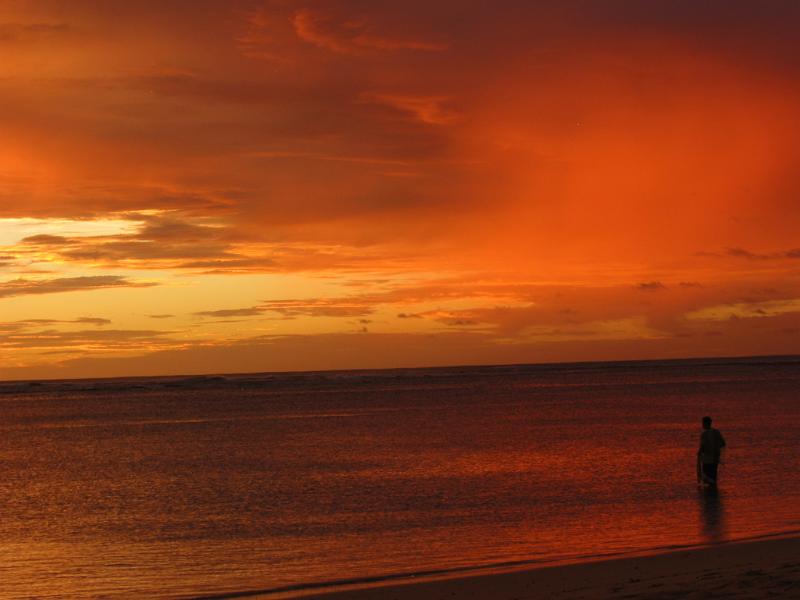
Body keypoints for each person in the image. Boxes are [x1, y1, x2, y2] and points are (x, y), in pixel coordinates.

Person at [698, 416, 726, 486]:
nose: (702, 425)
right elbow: (723, 443)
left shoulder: (704, 434)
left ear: (706, 423)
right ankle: (714, 493)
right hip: (715, 459)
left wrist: (699, 453)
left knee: (707, 478)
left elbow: (703, 447)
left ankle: (709, 495)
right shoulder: (716, 432)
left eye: (703, 423)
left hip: (707, 460)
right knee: (713, 477)